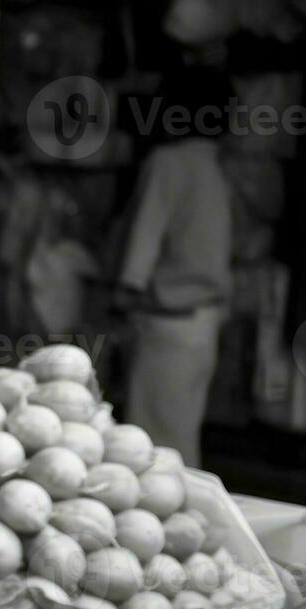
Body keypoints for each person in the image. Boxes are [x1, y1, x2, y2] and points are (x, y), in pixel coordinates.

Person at [115, 65, 235, 465]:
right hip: (203, 323)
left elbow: (144, 239)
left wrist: (123, 293)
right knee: (179, 441)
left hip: (168, 321)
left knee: (154, 448)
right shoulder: (214, 163)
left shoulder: (169, 162)